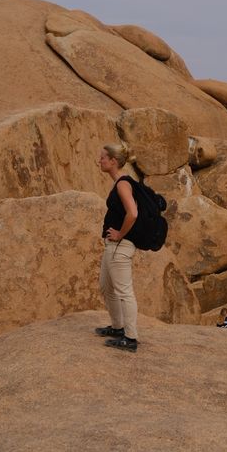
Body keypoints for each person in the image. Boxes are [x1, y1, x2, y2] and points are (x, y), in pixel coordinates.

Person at [95, 143, 140, 353]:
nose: (100, 161)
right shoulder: (119, 183)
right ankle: (117, 327)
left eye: (103, 158)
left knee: (124, 291)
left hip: (120, 245)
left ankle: (130, 338)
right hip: (112, 245)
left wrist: (120, 234)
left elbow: (133, 213)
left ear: (113, 161)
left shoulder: (122, 183)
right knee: (106, 286)